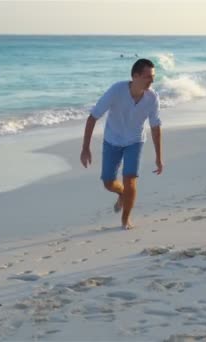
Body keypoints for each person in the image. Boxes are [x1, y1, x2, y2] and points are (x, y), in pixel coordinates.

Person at [80, 59, 163, 230]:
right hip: (112, 140)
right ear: (135, 76)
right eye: (148, 77)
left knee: (130, 180)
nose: (152, 81)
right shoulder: (116, 90)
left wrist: (159, 157)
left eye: (153, 77)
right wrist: (85, 148)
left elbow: (155, 128)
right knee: (108, 182)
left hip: (135, 141)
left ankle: (126, 220)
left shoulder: (152, 98)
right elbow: (93, 117)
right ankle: (122, 193)